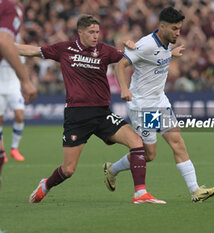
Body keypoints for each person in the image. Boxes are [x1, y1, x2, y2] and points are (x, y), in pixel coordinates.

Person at [17, 14, 165, 204]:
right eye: (91, 32)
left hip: (102, 113)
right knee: (68, 170)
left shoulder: (104, 50)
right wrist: (7, 48)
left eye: (97, 32)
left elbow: (130, 59)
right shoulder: (64, 49)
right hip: (77, 115)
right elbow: (33, 51)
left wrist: (143, 48)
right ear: (80, 33)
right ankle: (45, 185)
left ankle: (140, 193)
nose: (96, 36)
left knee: (137, 142)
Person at [103, 7, 214, 203]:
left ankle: (195, 191)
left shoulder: (166, 44)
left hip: (160, 102)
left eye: (179, 28)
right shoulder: (145, 45)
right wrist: (124, 89)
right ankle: (112, 169)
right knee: (149, 155)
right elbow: (120, 65)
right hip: (143, 106)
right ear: (162, 26)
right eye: (174, 29)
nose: (178, 32)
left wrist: (171, 54)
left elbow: (157, 58)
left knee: (177, 142)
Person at [0, 0, 37, 189]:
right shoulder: (10, 7)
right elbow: (4, 40)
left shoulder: (17, 46)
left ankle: (14, 148)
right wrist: (26, 81)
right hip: (2, 84)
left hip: (12, 85)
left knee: (19, 115)